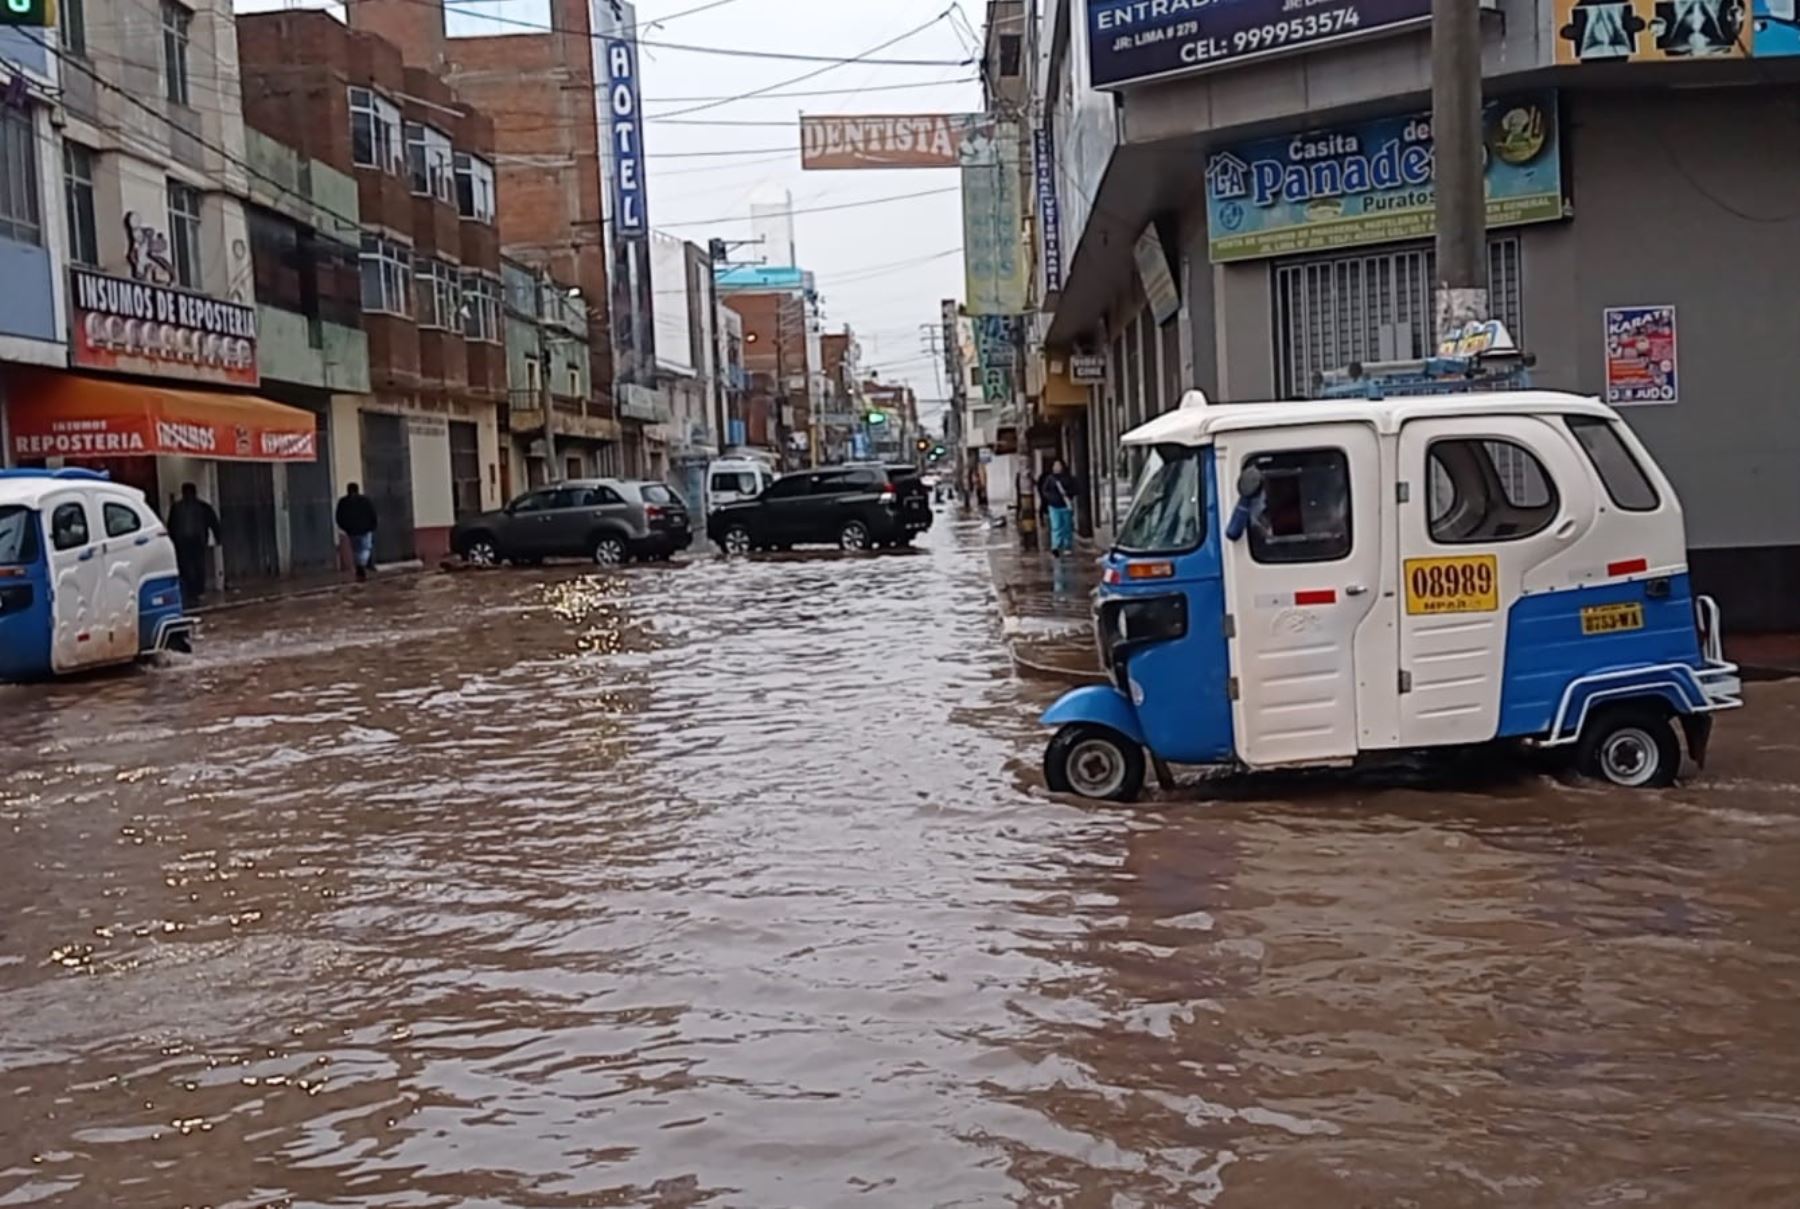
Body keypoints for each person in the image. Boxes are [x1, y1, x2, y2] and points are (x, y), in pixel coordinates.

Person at [166, 482, 221, 606]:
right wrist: (218, 538)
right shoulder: (201, 506)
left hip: (185, 542)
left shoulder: (179, 507)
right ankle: (197, 592)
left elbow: (171, 526)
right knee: (196, 566)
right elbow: (214, 523)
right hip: (195, 541)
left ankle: (192, 592)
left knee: (188, 567)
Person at [335, 483, 379, 581]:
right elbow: (372, 514)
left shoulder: (343, 502)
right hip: (364, 530)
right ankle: (362, 566)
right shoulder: (365, 501)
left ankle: (361, 567)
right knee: (365, 549)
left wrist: (345, 528)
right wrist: (372, 526)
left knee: (358, 550)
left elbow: (339, 517)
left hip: (353, 531)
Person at [1037, 458, 1079, 556]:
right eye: (1055, 466)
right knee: (1056, 527)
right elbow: (1044, 490)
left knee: (1067, 527)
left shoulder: (1068, 478)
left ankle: (1067, 546)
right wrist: (1051, 498)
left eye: (1059, 465)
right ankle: (1055, 546)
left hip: (1065, 506)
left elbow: (1076, 489)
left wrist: (1068, 494)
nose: (1057, 468)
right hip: (1054, 506)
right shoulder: (1050, 479)